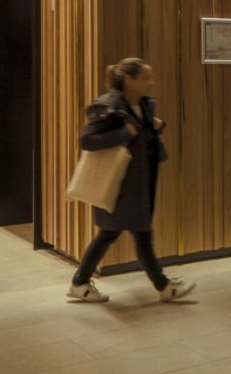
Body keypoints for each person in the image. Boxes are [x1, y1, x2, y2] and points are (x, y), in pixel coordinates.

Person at [66, 58, 196, 303]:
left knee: (111, 233)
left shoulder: (141, 105)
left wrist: (156, 127)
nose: (151, 82)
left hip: (136, 182)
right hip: (119, 184)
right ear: (129, 80)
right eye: (146, 77)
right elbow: (87, 140)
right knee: (141, 233)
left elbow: (142, 138)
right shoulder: (109, 105)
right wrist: (125, 133)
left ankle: (80, 283)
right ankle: (164, 287)